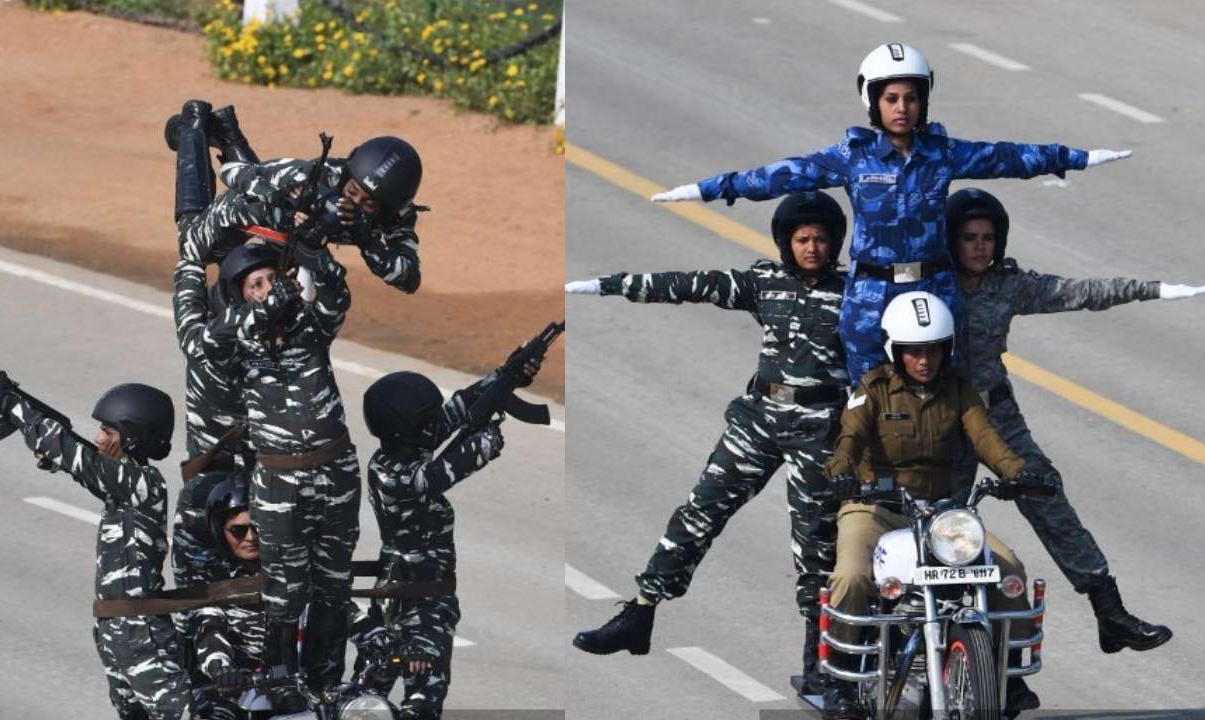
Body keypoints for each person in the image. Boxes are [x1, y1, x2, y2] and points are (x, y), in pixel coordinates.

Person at [647, 43, 1131, 387]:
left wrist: (1077, 157)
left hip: (934, 283)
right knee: (864, 389)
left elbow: (1007, 157)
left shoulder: (942, 153)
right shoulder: (851, 158)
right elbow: (779, 176)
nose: (902, 108)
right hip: (871, 289)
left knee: (945, 385)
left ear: (924, 101)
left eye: (911, 97)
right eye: (891, 98)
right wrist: (708, 189)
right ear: (873, 102)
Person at [568, 192, 849, 694]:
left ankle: (821, 663)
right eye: (803, 239)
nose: (812, 248)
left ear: (835, 244)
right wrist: (608, 285)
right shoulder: (766, 282)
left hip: (821, 429)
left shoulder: (855, 293)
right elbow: (692, 285)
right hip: (759, 420)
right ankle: (639, 614)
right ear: (787, 243)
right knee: (698, 513)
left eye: (821, 240)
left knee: (817, 550)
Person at [947, 187, 1202, 653]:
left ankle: (1109, 612)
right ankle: (934, 641)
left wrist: (1151, 290)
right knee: (939, 520)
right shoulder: (925, 283)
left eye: (988, 237)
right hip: (938, 417)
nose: (980, 246)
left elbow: (1077, 293)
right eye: (969, 237)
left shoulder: (1008, 285)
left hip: (995, 413)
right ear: (950, 241)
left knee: (1047, 494)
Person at [821, 291, 1046, 718]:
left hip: (941, 516)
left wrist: (1017, 472)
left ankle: (1009, 677)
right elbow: (847, 440)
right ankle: (843, 681)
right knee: (850, 577)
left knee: (1009, 571)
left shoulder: (959, 391)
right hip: (877, 508)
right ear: (896, 351)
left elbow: (986, 438)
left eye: (934, 350)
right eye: (914, 352)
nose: (925, 360)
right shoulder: (873, 390)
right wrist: (841, 472)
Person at [0, 379, 191, 720]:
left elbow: (73, 455)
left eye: (109, 431)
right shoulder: (121, 485)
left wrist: (12, 404)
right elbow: (84, 468)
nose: (100, 438)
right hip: (114, 630)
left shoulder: (144, 482)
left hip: (140, 630)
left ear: (134, 435)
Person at [200, 237, 359, 701]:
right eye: (257, 283)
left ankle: (325, 689)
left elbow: (337, 297)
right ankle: (281, 687)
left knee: (333, 588)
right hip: (278, 484)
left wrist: (312, 254)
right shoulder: (235, 342)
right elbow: (210, 342)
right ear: (241, 294)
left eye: (273, 279)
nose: (269, 288)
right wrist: (262, 314)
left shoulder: (309, 329)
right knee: (284, 594)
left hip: (336, 475)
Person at [357, 362, 538, 720]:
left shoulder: (394, 454)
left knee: (366, 695)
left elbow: (455, 413)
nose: (432, 426)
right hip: (423, 607)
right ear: (407, 427)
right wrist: (489, 436)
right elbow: (453, 465)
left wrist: (504, 378)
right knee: (414, 704)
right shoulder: (400, 476)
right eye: (425, 420)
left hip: (394, 596)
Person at [165, 99, 423, 294]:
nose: (353, 203)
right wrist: (282, 197)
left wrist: (366, 239)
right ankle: (192, 127)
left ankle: (227, 134)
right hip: (249, 210)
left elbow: (409, 279)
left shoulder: (398, 215)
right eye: (352, 191)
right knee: (190, 243)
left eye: (368, 204)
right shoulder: (317, 174)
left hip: (292, 240)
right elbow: (236, 173)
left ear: (389, 207)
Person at [187, 475, 268, 720]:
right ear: (220, 531)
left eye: (257, 528)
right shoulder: (213, 581)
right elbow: (208, 631)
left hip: (296, 692)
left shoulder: (292, 574)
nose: (250, 537)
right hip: (233, 695)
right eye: (238, 530)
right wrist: (222, 669)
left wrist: (374, 635)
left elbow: (337, 609)